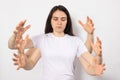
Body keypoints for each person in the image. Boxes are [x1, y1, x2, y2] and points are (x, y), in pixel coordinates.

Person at [8, 5, 105, 80]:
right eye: (55, 19)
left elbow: (92, 64)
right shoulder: (42, 39)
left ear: (67, 22)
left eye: (63, 19)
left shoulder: (75, 41)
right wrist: (15, 36)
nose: (59, 22)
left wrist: (99, 56)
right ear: (50, 21)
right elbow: (13, 46)